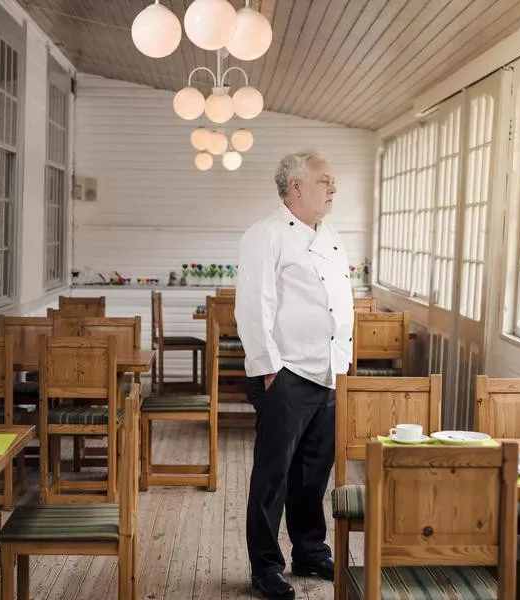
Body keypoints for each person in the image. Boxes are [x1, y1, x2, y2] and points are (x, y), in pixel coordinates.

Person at [235, 150, 354, 599]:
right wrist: (268, 371)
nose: (333, 188)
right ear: (296, 187)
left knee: (313, 474)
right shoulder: (264, 235)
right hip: (284, 373)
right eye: (325, 180)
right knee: (273, 476)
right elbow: (253, 304)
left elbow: (338, 302)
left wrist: (343, 360)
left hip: (327, 371)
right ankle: (266, 566)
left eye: (334, 181)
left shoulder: (332, 236)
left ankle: (309, 551)